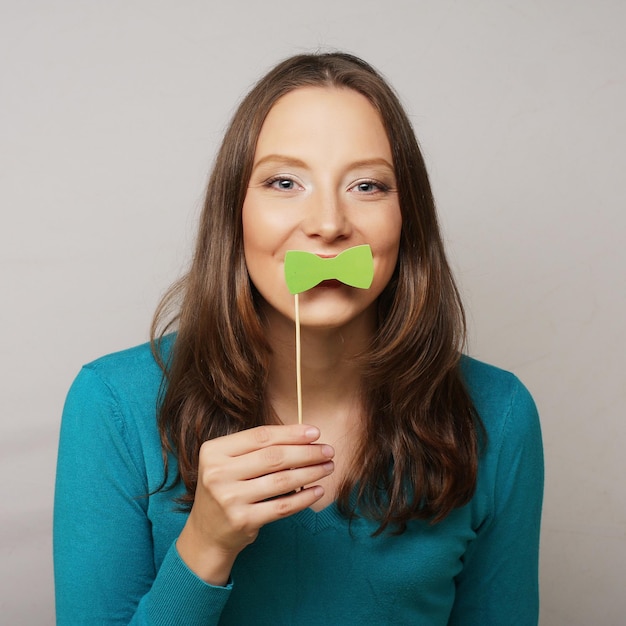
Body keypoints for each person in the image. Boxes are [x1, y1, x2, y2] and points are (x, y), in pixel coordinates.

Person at [53, 52, 544, 625]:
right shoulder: (111, 405)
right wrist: (207, 544)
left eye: (367, 185)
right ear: (235, 212)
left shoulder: (499, 414)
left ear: (407, 218)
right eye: (284, 182)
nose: (329, 223)